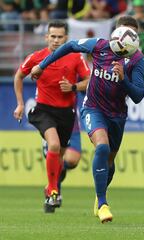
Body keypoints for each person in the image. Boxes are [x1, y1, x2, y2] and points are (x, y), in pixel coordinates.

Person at [30, 15, 144, 223]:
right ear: (115, 33)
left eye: (131, 33)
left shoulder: (137, 59)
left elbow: (138, 96)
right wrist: (43, 65)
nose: (124, 38)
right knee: (102, 147)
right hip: (93, 108)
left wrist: (124, 80)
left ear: (136, 37)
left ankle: (100, 195)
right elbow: (72, 45)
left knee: (110, 159)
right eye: (122, 32)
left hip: (117, 115)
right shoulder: (100, 46)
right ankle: (102, 203)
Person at [13, 21, 91, 213]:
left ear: (66, 38)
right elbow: (18, 76)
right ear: (46, 37)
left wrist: (73, 87)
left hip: (66, 114)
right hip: (43, 110)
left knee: (66, 159)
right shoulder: (37, 57)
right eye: (53, 36)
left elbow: (89, 81)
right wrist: (21, 103)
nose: (56, 40)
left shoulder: (75, 58)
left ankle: (52, 186)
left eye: (60, 37)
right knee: (54, 145)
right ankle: (53, 190)